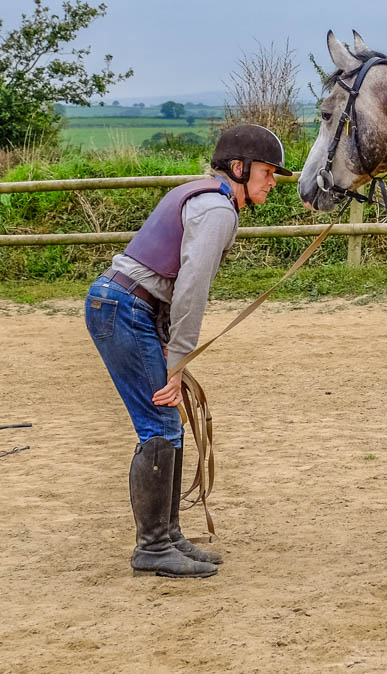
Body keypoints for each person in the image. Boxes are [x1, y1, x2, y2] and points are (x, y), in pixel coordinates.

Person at [84, 125, 291, 578]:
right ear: (239, 168)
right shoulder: (217, 210)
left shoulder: (204, 196)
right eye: (268, 172)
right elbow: (192, 289)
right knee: (160, 421)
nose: (273, 181)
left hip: (124, 304)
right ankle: (154, 547)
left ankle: (169, 535)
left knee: (167, 422)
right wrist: (179, 361)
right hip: (128, 308)